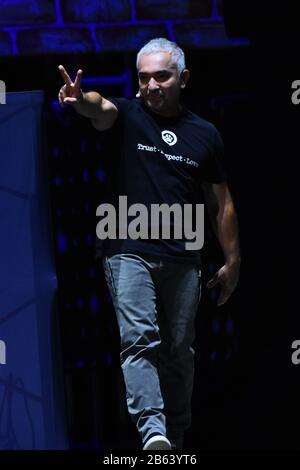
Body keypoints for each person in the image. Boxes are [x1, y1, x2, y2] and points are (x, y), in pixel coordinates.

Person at [58, 38, 240, 451]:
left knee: (179, 352)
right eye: (144, 78)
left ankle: (172, 438)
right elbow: (99, 108)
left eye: (162, 76)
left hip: (184, 254)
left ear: (183, 78)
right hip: (127, 246)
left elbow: (222, 202)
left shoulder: (204, 134)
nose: (152, 85)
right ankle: (153, 432)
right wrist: (79, 99)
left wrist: (233, 259)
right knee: (140, 337)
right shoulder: (127, 114)